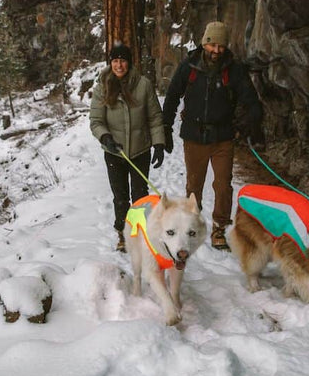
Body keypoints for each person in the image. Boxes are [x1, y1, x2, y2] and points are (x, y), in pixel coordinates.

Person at [162, 21, 264, 251]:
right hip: (194, 136)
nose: (216, 51)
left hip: (223, 136)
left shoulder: (234, 70)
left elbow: (251, 101)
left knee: (222, 185)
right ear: (204, 43)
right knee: (194, 186)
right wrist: (165, 129)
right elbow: (171, 98)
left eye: (221, 46)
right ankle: (192, 224)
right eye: (212, 45)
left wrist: (251, 127)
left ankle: (219, 228)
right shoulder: (189, 66)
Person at [90, 44, 166, 253]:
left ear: (129, 62)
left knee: (140, 196)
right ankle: (123, 234)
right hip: (114, 152)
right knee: (120, 195)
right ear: (110, 62)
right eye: (115, 61)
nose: (119, 65)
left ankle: (138, 232)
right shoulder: (102, 87)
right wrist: (105, 137)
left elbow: (154, 117)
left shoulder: (143, 85)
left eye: (123, 60)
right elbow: (96, 120)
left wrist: (158, 143)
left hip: (140, 150)